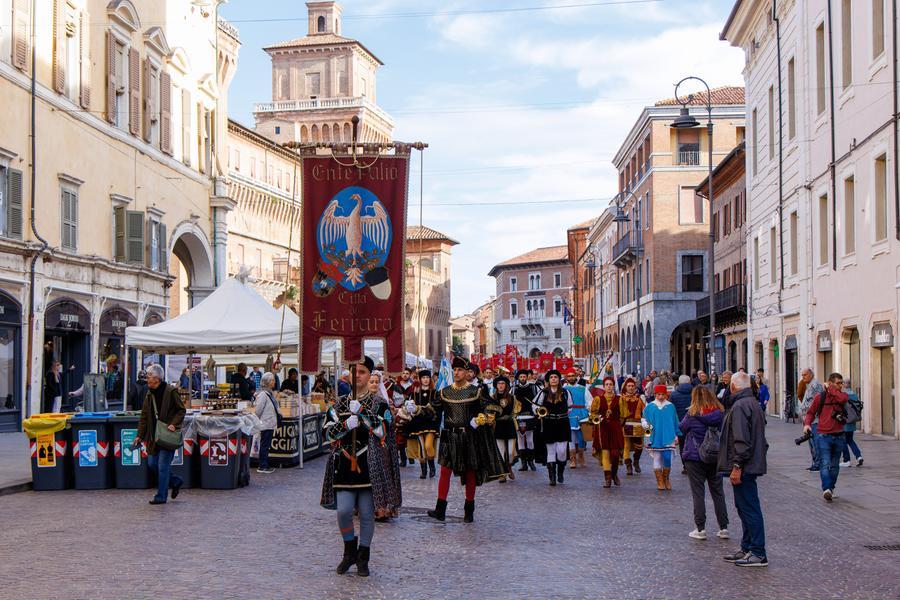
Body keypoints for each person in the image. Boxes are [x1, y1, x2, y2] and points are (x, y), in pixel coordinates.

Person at [320, 356, 394, 577]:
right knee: (343, 511)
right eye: (355, 371)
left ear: (370, 375)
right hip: (344, 463)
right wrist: (345, 424)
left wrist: (362, 412)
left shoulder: (379, 404)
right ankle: (349, 550)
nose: (358, 376)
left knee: (367, 513)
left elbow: (383, 430)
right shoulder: (339, 404)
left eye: (362, 372)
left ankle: (363, 557)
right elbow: (326, 432)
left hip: (369, 463)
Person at [426, 356, 507, 523]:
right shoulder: (444, 392)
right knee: (445, 472)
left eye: (460, 370)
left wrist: (484, 416)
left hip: (469, 436)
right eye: (454, 370)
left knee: (470, 472)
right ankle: (440, 510)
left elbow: (493, 406)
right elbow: (432, 410)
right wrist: (414, 410)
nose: (456, 373)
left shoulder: (476, 391)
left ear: (467, 372)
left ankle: (469, 510)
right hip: (449, 436)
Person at [718, 372, 768, 567]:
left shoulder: (740, 406)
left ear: (732, 386)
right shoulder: (752, 403)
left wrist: (737, 466)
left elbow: (741, 440)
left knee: (749, 508)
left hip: (745, 466)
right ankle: (747, 547)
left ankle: (757, 551)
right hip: (750, 463)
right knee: (744, 507)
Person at [680, 386, 729, 541]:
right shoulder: (720, 413)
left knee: (698, 493)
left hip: (695, 457)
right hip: (715, 456)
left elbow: (682, 428)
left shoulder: (692, 414)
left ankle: (700, 528)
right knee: (718, 492)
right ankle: (723, 527)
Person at [135, 364, 185, 505]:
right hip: (154, 436)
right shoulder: (149, 393)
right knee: (152, 464)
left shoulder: (171, 391)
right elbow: (144, 416)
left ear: (157, 378)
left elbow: (181, 410)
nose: (147, 379)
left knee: (163, 466)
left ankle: (161, 496)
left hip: (167, 434)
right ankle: (175, 481)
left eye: (149, 376)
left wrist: (174, 424)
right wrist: (139, 435)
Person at [803, 372, 849, 502]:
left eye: (842, 383)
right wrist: (807, 424)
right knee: (825, 463)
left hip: (839, 435)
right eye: (838, 383)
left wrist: (831, 389)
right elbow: (810, 412)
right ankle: (826, 489)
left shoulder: (842, 396)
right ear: (830, 383)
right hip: (823, 436)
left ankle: (831, 488)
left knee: (835, 465)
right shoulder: (820, 397)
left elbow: (842, 399)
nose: (841, 386)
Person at [368, 371, 403, 521]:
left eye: (377, 382)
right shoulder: (360, 400)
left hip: (380, 443)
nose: (374, 384)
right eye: (372, 382)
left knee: (380, 475)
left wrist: (380, 427)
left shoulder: (383, 402)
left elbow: (388, 422)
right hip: (365, 444)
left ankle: (382, 509)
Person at [534, 369, 573, 486]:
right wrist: (539, 411)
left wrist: (562, 414)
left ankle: (560, 472)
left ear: (559, 379)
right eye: (551, 377)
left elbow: (570, 407)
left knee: (561, 451)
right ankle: (552, 477)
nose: (553, 379)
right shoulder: (543, 392)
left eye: (555, 377)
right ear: (548, 380)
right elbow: (534, 405)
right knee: (551, 450)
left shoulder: (565, 392)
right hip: (549, 423)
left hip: (563, 423)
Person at [642, 385, 680, 491]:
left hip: (668, 435)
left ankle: (666, 478)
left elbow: (675, 421)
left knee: (667, 457)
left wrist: (676, 434)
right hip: (655, 436)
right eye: (658, 394)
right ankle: (659, 480)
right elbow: (645, 420)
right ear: (655, 394)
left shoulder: (671, 406)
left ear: (666, 395)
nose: (660, 396)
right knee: (657, 457)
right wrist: (647, 431)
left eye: (663, 394)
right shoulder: (650, 406)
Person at [590, 376, 624, 488]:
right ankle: (607, 478)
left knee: (615, 454)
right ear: (604, 386)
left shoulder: (620, 399)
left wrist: (619, 424)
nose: (609, 386)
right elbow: (592, 414)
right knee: (605, 452)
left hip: (615, 428)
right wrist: (596, 418)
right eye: (607, 384)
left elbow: (623, 415)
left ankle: (614, 474)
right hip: (602, 428)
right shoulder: (598, 399)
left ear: (613, 386)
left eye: (611, 384)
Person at [405, 369, 439, 479]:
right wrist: (409, 408)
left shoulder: (435, 392)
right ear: (420, 379)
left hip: (431, 423)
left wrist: (426, 409)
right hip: (418, 423)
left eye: (427, 377)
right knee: (421, 448)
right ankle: (424, 470)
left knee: (428, 445)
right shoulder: (414, 393)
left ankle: (432, 467)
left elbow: (437, 408)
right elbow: (409, 406)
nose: (425, 380)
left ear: (430, 379)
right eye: (423, 378)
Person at [486, 375, 517, 482]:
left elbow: (515, 411)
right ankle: (502, 474)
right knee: (500, 451)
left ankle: (509, 467)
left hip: (510, 425)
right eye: (499, 383)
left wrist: (512, 417)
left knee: (510, 453)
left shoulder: (512, 397)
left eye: (503, 383)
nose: (501, 385)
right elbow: (489, 411)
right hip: (498, 426)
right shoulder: (492, 398)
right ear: (496, 385)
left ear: (506, 385)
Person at [798, 369, 825, 471]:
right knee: (811, 442)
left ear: (811, 375)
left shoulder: (815, 385)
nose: (803, 377)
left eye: (805, 375)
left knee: (816, 442)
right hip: (808, 419)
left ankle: (818, 464)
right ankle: (815, 462)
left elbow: (816, 403)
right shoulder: (809, 385)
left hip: (814, 420)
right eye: (802, 375)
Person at [253, 372, 279, 474]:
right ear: (267, 382)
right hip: (266, 423)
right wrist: (258, 421)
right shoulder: (263, 394)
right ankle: (262, 466)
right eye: (272, 380)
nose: (274, 382)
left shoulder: (268, 393)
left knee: (266, 445)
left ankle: (264, 464)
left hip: (269, 423)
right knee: (264, 445)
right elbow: (258, 410)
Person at [513, 369, 540, 471]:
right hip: (519, 417)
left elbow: (538, 400)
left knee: (530, 439)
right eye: (521, 377)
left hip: (530, 416)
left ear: (527, 377)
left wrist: (536, 410)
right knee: (520, 440)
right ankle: (523, 463)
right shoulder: (514, 388)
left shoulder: (533, 387)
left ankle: (531, 462)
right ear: (518, 378)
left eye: (524, 376)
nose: (522, 378)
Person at [619, 377, 646, 475]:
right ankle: (628, 465)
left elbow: (645, 412)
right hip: (626, 424)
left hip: (637, 424)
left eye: (632, 386)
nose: (631, 387)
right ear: (625, 387)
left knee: (639, 446)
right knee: (626, 446)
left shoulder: (640, 398)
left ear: (635, 387)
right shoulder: (621, 398)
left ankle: (636, 461)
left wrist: (646, 421)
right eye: (629, 386)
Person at [563, 369, 590, 468]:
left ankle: (581, 456)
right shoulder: (564, 389)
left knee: (582, 437)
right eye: (569, 376)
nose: (571, 378)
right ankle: (573, 459)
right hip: (570, 414)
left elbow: (589, 401)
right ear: (567, 378)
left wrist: (590, 412)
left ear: (576, 376)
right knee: (571, 437)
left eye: (573, 375)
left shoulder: (583, 389)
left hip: (582, 414)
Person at [840, 379, 863, 467]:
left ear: (843, 385)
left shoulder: (843, 395)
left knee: (843, 441)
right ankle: (859, 456)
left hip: (845, 421)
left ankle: (846, 460)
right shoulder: (854, 395)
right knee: (850, 440)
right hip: (852, 421)